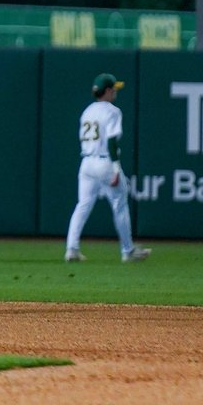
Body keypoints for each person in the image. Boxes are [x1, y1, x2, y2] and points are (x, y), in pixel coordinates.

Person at [64, 72, 151, 264]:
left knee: (82, 205)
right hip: (105, 162)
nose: (115, 92)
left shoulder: (87, 111)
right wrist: (116, 168)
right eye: (114, 89)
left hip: (86, 162)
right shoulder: (112, 111)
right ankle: (128, 251)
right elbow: (112, 141)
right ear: (108, 91)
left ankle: (72, 249)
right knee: (120, 205)